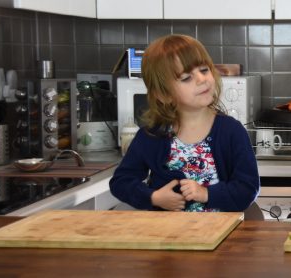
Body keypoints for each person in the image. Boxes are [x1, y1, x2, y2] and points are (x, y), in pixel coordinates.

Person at [110, 34, 259, 212]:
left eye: (204, 70)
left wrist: (206, 194)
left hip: (222, 236)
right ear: (164, 94)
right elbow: (120, 182)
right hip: (169, 237)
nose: (202, 79)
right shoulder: (151, 136)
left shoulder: (232, 131)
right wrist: (154, 197)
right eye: (186, 78)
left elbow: (247, 189)